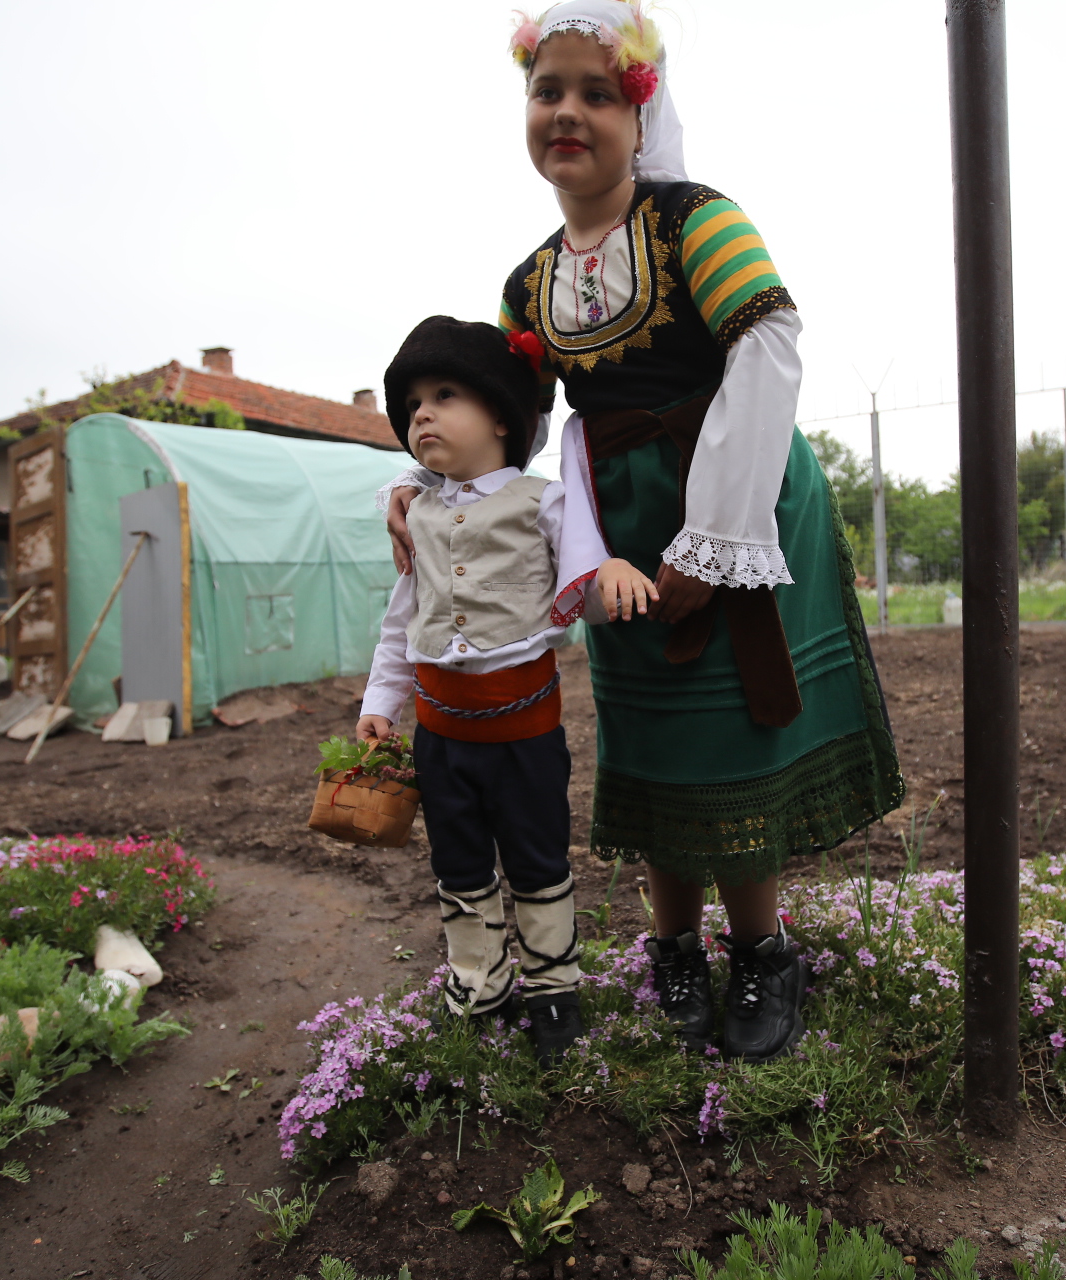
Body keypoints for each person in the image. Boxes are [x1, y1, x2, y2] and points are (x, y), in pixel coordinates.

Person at [383, 1, 904, 1064]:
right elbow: (506, 428)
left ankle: (761, 948)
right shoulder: (529, 282)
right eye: (546, 92)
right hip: (610, 532)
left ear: (640, 109)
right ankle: (672, 946)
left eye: (597, 92)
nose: (567, 112)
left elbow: (768, 350)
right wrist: (421, 488)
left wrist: (712, 538)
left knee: (727, 731)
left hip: (736, 499)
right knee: (652, 733)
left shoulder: (695, 220)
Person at [359, 315, 657, 1064]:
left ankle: (554, 983)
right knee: (456, 862)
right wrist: (378, 704)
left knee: (536, 858)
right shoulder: (417, 514)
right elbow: (403, 623)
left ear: (500, 415)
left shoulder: (542, 500)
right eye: (413, 402)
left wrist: (608, 574)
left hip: (524, 733)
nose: (421, 413)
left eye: (445, 394)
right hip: (441, 738)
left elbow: (585, 565)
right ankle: (477, 979)